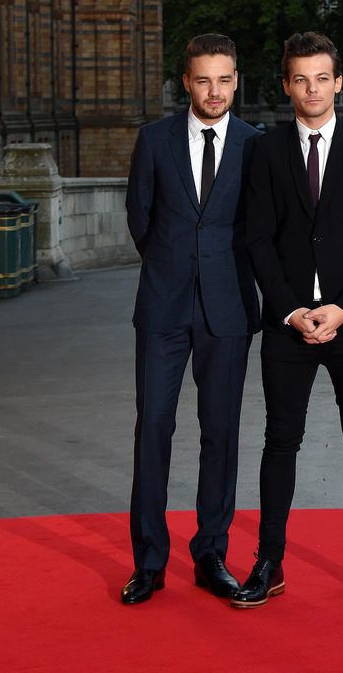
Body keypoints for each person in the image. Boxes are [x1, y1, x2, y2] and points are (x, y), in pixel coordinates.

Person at [231, 31, 343, 610]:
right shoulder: (264, 149)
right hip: (288, 326)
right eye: (300, 79)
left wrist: (342, 307)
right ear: (286, 85)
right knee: (280, 441)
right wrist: (290, 309)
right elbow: (256, 237)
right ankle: (268, 563)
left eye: (322, 78)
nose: (312, 89)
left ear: (338, 82)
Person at [122, 33, 260, 605]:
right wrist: (172, 266)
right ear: (186, 82)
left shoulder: (257, 146)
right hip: (162, 306)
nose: (214, 91)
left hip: (227, 310)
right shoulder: (154, 140)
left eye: (224, 79)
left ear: (236, 81)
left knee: (220, 434)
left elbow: (261, 229)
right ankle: (149, 562)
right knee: (153, 428)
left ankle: (210, 554)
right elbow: (140, 216)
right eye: (203, 80)